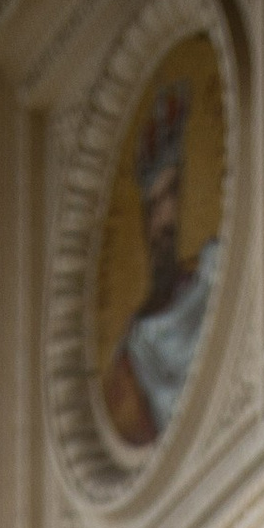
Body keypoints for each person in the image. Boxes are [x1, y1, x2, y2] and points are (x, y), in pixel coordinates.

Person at [101, 79, 222, 449]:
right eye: (154, 206)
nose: (164, 218)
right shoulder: (131, 352)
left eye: (171, 195)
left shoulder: (209, 278)